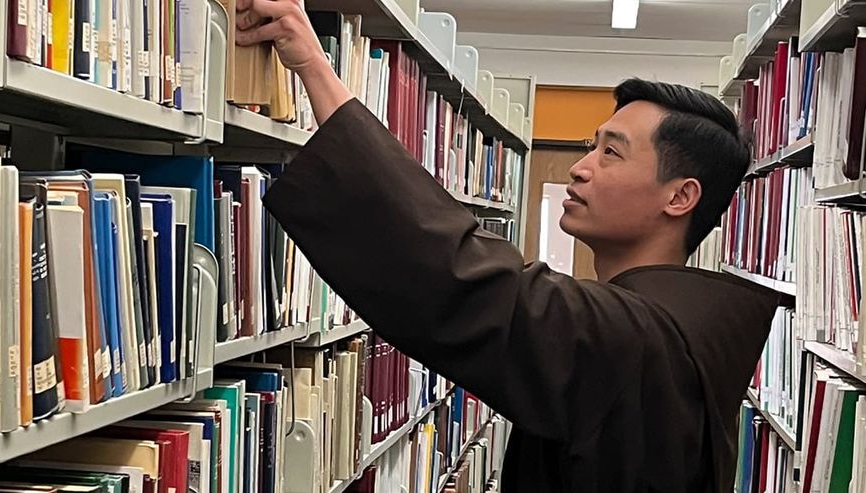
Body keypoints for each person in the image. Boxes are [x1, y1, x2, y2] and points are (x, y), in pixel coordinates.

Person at [235, 0, 784, 491]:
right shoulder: (686, 330)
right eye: (588, 146)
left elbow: (455, 271)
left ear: (680, 197)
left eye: (611, 153)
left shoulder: (638, 339)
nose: (580, 168)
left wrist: (314, 67)